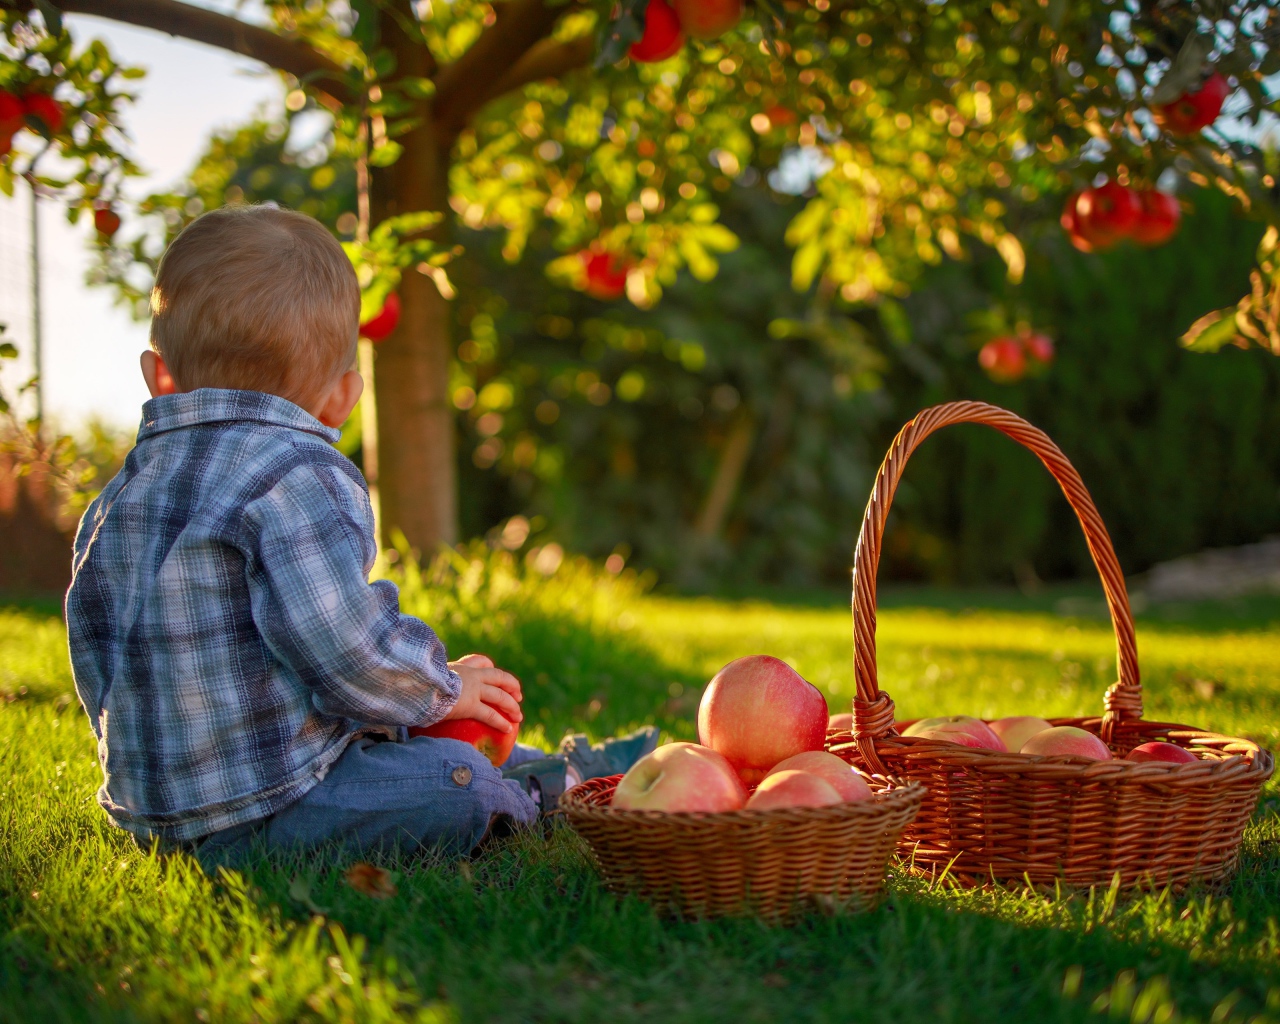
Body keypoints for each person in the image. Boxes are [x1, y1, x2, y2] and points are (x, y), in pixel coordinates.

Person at [64, 204, 656, 870]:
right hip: (271, 811)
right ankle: (556, 794)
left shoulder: (117, 499)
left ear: (159, 376)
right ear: (342, 398)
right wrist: (443, 688)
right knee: (449, 784)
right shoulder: (296, 475)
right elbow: (346, 651)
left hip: (149, 816)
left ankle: (558, 766)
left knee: (412, 735)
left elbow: (94, 653)